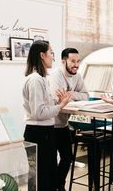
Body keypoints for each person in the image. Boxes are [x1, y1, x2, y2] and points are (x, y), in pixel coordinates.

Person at [23, 40, 72, 191]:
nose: (53, 57)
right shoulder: (36, 79)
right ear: (42, 55)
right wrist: (60, 106)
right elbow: (38, 113)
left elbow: (43, 107)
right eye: (51, 53)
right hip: (39, 134)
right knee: (40, 179)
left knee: (44, 178)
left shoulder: (41, 78)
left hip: (44, 133)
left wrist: (57, 101)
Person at [49, 48, 89, 191]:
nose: (76, 65)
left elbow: (85, 95)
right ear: (63, 61)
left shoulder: (77, 76)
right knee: (51, 162)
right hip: (50, 125)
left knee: (68, 157)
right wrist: (72, 95)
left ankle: (59, 185)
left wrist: (71, 93)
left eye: (78, 61)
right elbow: (58, 99)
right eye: (73, 61)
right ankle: (57, 186)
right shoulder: (55, 75)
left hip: (63, 124)